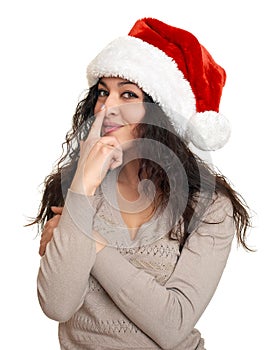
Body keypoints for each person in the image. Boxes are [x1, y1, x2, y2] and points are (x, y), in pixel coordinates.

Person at [32, 18, 252, 350]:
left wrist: (92, 242)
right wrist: (82, 185)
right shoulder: (74, 189)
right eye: (103, 92)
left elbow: (173, 324)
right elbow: (58, 305)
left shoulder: (209, 206)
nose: (107, 108)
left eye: (128, 94)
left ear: (160, 113)